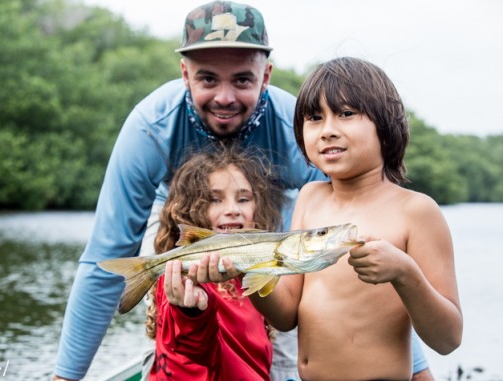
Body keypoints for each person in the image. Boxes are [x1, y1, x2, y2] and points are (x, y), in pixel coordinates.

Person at [52, 2, 433, 379]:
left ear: (265, 76)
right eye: (207, 79)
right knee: (181, 326)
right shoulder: (149, 128)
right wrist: (65, 377)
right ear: (184, 74)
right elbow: (105, 259)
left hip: (276, 229)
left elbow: (359, 253)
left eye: (242, 80)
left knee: (300, 303)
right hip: (184, 225)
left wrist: (417, 370)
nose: (224, 97)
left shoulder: (301, 129)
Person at [196, 56, 463, 379]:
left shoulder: (416, 211)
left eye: (346, 114)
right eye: (314, 118)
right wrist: (245, 269)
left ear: (386, 123)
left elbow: (448, 339)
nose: (327, 131)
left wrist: (405, 273)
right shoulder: (310, 197)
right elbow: (287, 316)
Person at [146, 145, 285, 380]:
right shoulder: (181, 275)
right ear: (189, 212)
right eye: (214, 200)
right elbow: (186, 356)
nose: (232, 210)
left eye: (243, 199)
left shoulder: (259, 278)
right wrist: (190, 312)